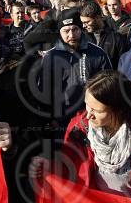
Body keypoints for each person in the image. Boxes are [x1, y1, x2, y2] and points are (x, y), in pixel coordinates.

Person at [29, 70, 131, 203]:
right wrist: (49, 167)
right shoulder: (79, 129)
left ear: (119, 110)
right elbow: (71, 171)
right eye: (87, 105)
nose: (89, 114)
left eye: (97, 110)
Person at [39, 9, 112, 138]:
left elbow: (108, 87)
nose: (71, 35)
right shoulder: (50, 57)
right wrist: (51, 119)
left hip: (92, 121)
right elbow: (43, 91)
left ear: (81, 29)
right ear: (59, 32)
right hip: (61, 123)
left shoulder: (97, 53)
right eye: (66, 31)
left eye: (75, 29)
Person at [80, 2, 129, 69]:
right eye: (82, 22)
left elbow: (125, 65)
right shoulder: (83, 38)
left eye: (87, 22)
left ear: (97, 18)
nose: (84, 26)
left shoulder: (116, 38)